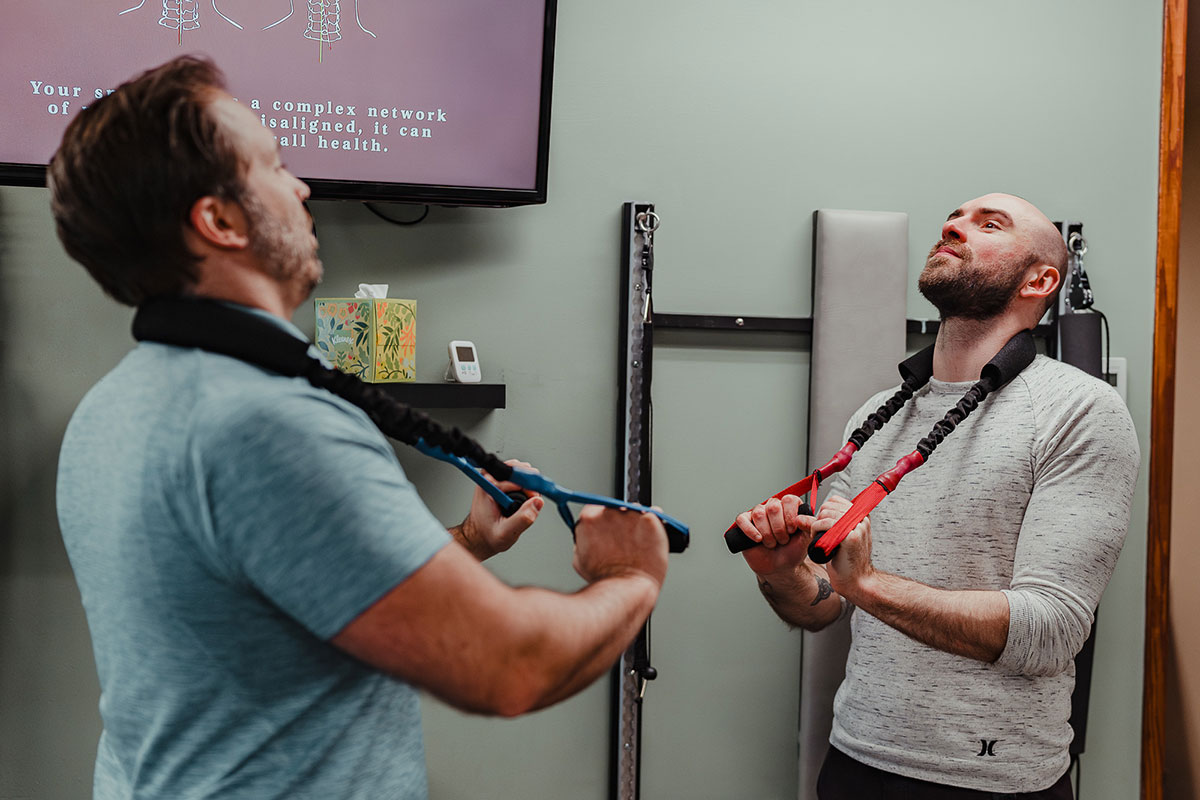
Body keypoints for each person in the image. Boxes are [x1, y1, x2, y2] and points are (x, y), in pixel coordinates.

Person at [49, 55, 669, 799]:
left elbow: (293, 602)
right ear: (219, 221)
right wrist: (630, 576)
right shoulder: (265, 424)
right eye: (274, 167)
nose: (300, 186)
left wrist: (468, 542)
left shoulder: (117, 407)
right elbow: (509, 665)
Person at [733, 193, 1139, 799]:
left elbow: (1048, 631)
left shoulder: (1081, 411)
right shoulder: (876, 415)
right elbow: (822, 609)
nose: (953, 225)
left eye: (989, 223)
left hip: (993, 779)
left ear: (1041, 280)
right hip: (854, 760)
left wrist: (868, 583)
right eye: (954, 216)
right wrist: (783, 575)